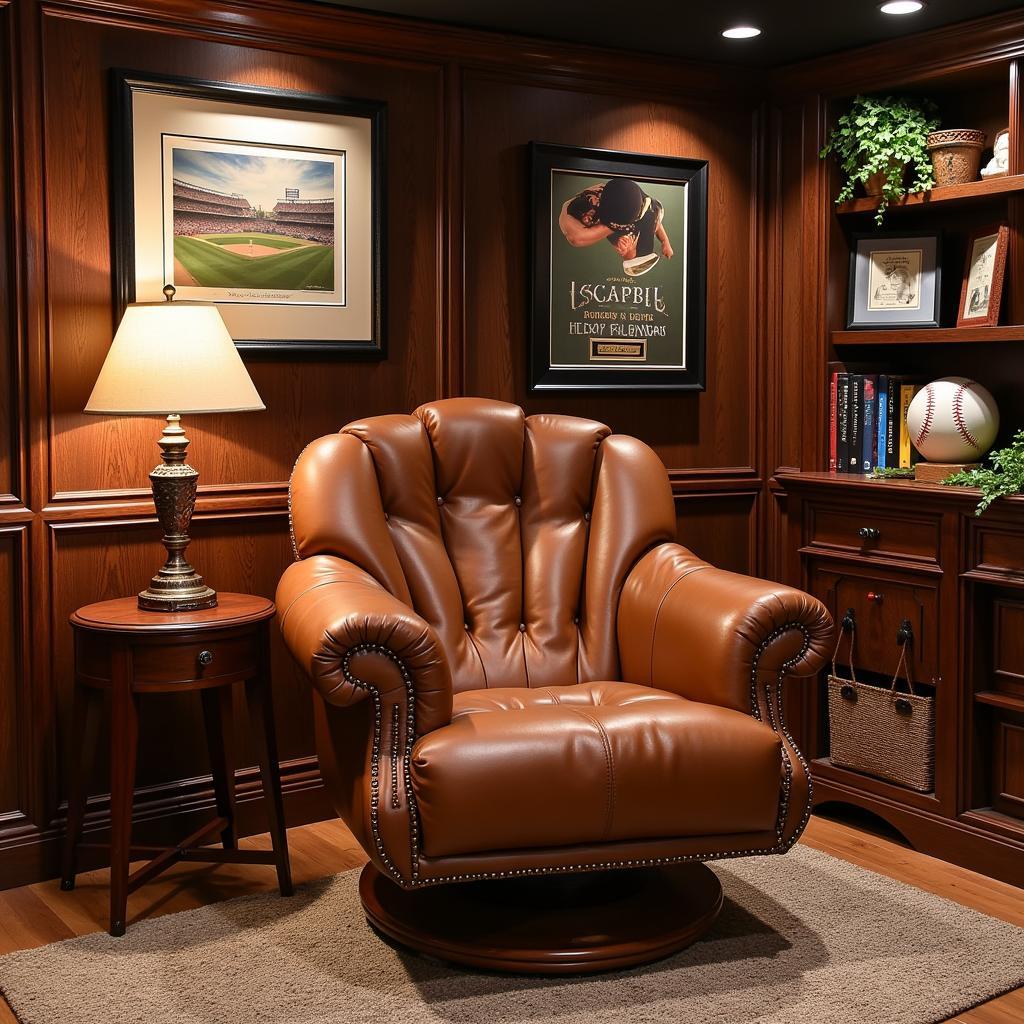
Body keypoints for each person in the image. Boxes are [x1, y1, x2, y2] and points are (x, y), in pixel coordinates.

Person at [558, 177, 673, 276]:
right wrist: (628, 251)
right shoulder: (592, 205)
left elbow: (652, 215)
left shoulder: (633, 196)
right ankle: (630, 251)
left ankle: (632, 252)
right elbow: (576, 238)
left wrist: (665, 240)